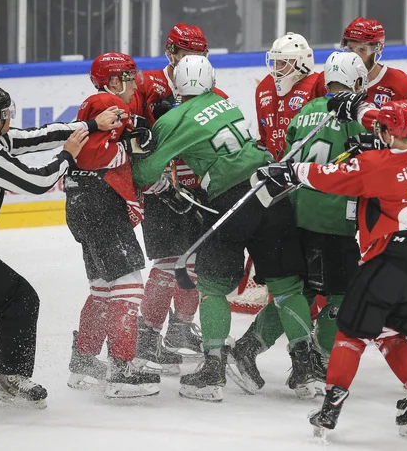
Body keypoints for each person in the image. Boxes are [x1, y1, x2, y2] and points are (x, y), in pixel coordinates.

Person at [0, 83, 122, 408]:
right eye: (2, 114)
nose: (8, 117)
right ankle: (13, 377)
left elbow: (39, 135)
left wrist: (90, 125)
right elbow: (37, 181)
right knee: (20, 299)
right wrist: (67, 157)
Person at [257, 99, 407, 437]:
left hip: (390, 265)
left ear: (389, 133)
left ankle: (330, 409)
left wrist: (289, 170)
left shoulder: (374, 166)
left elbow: (327, 177)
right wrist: (364, 113)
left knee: (350, 333)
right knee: (392, 332)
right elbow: (392, 136)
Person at [131, 55, 313, 402]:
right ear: (211, 80)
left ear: (177, 86)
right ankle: (305, 367)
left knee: (213, 288)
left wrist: (144, 151)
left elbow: (143, 174)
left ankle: (213, 370)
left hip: (230, 203)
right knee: (288, 287)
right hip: (271, 190)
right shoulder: (225, 103)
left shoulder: (172, 119)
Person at [228, 52, 373, 397]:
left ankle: (248, 348)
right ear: (356, 83)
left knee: (304, 291)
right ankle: (314, 363)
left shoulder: (306, 111)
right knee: (343, 296)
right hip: (334, 218)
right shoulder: (356, 117)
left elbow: (290, 155)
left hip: (297, 213)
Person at [129, 24, 229, 370]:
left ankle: (181, 331)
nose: (194, 60)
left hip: (199, 190)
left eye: (200, 54)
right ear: (171, 52)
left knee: (198, 266)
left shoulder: (213, 91)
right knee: (168, 265)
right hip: (162, 187)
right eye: (187, 53)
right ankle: (146, 338)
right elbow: (131, 133)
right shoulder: (146, 85)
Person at [65, 52, 161, 399]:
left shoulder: (96, 104)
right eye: (128, 76)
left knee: (103, 289)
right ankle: (121, 372)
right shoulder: (107, 102)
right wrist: (134, 147)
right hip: (100, 201)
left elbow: (98, 145)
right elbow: (95, 156)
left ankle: (84, 362)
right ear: (113, 79)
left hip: (82, 204)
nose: (134, 83)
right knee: (129, 287)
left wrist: (133, 130)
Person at [256, 31, 328, 161]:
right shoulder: (264, 87)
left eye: (283, 63)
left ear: (302, 61)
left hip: (305, 168)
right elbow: (264, 136)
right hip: (274, 169)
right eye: (275, 62)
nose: (277, 68)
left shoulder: (318, 86)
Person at [341, 18, 407, 110]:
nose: (354, 55)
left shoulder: (400, 84)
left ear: (377, 49)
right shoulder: (332, 80)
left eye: (362, 49)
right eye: (351, 48)